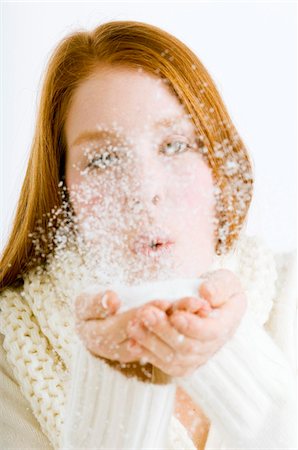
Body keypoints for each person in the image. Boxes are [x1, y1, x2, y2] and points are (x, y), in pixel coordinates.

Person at [0, 20, 296, 450]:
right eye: (102, 160)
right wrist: (117, 380)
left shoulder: (291, 297)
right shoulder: (11, 352)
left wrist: (230, 353)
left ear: (218, 165)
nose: (143, 192)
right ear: (62, 193)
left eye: (175, 146)